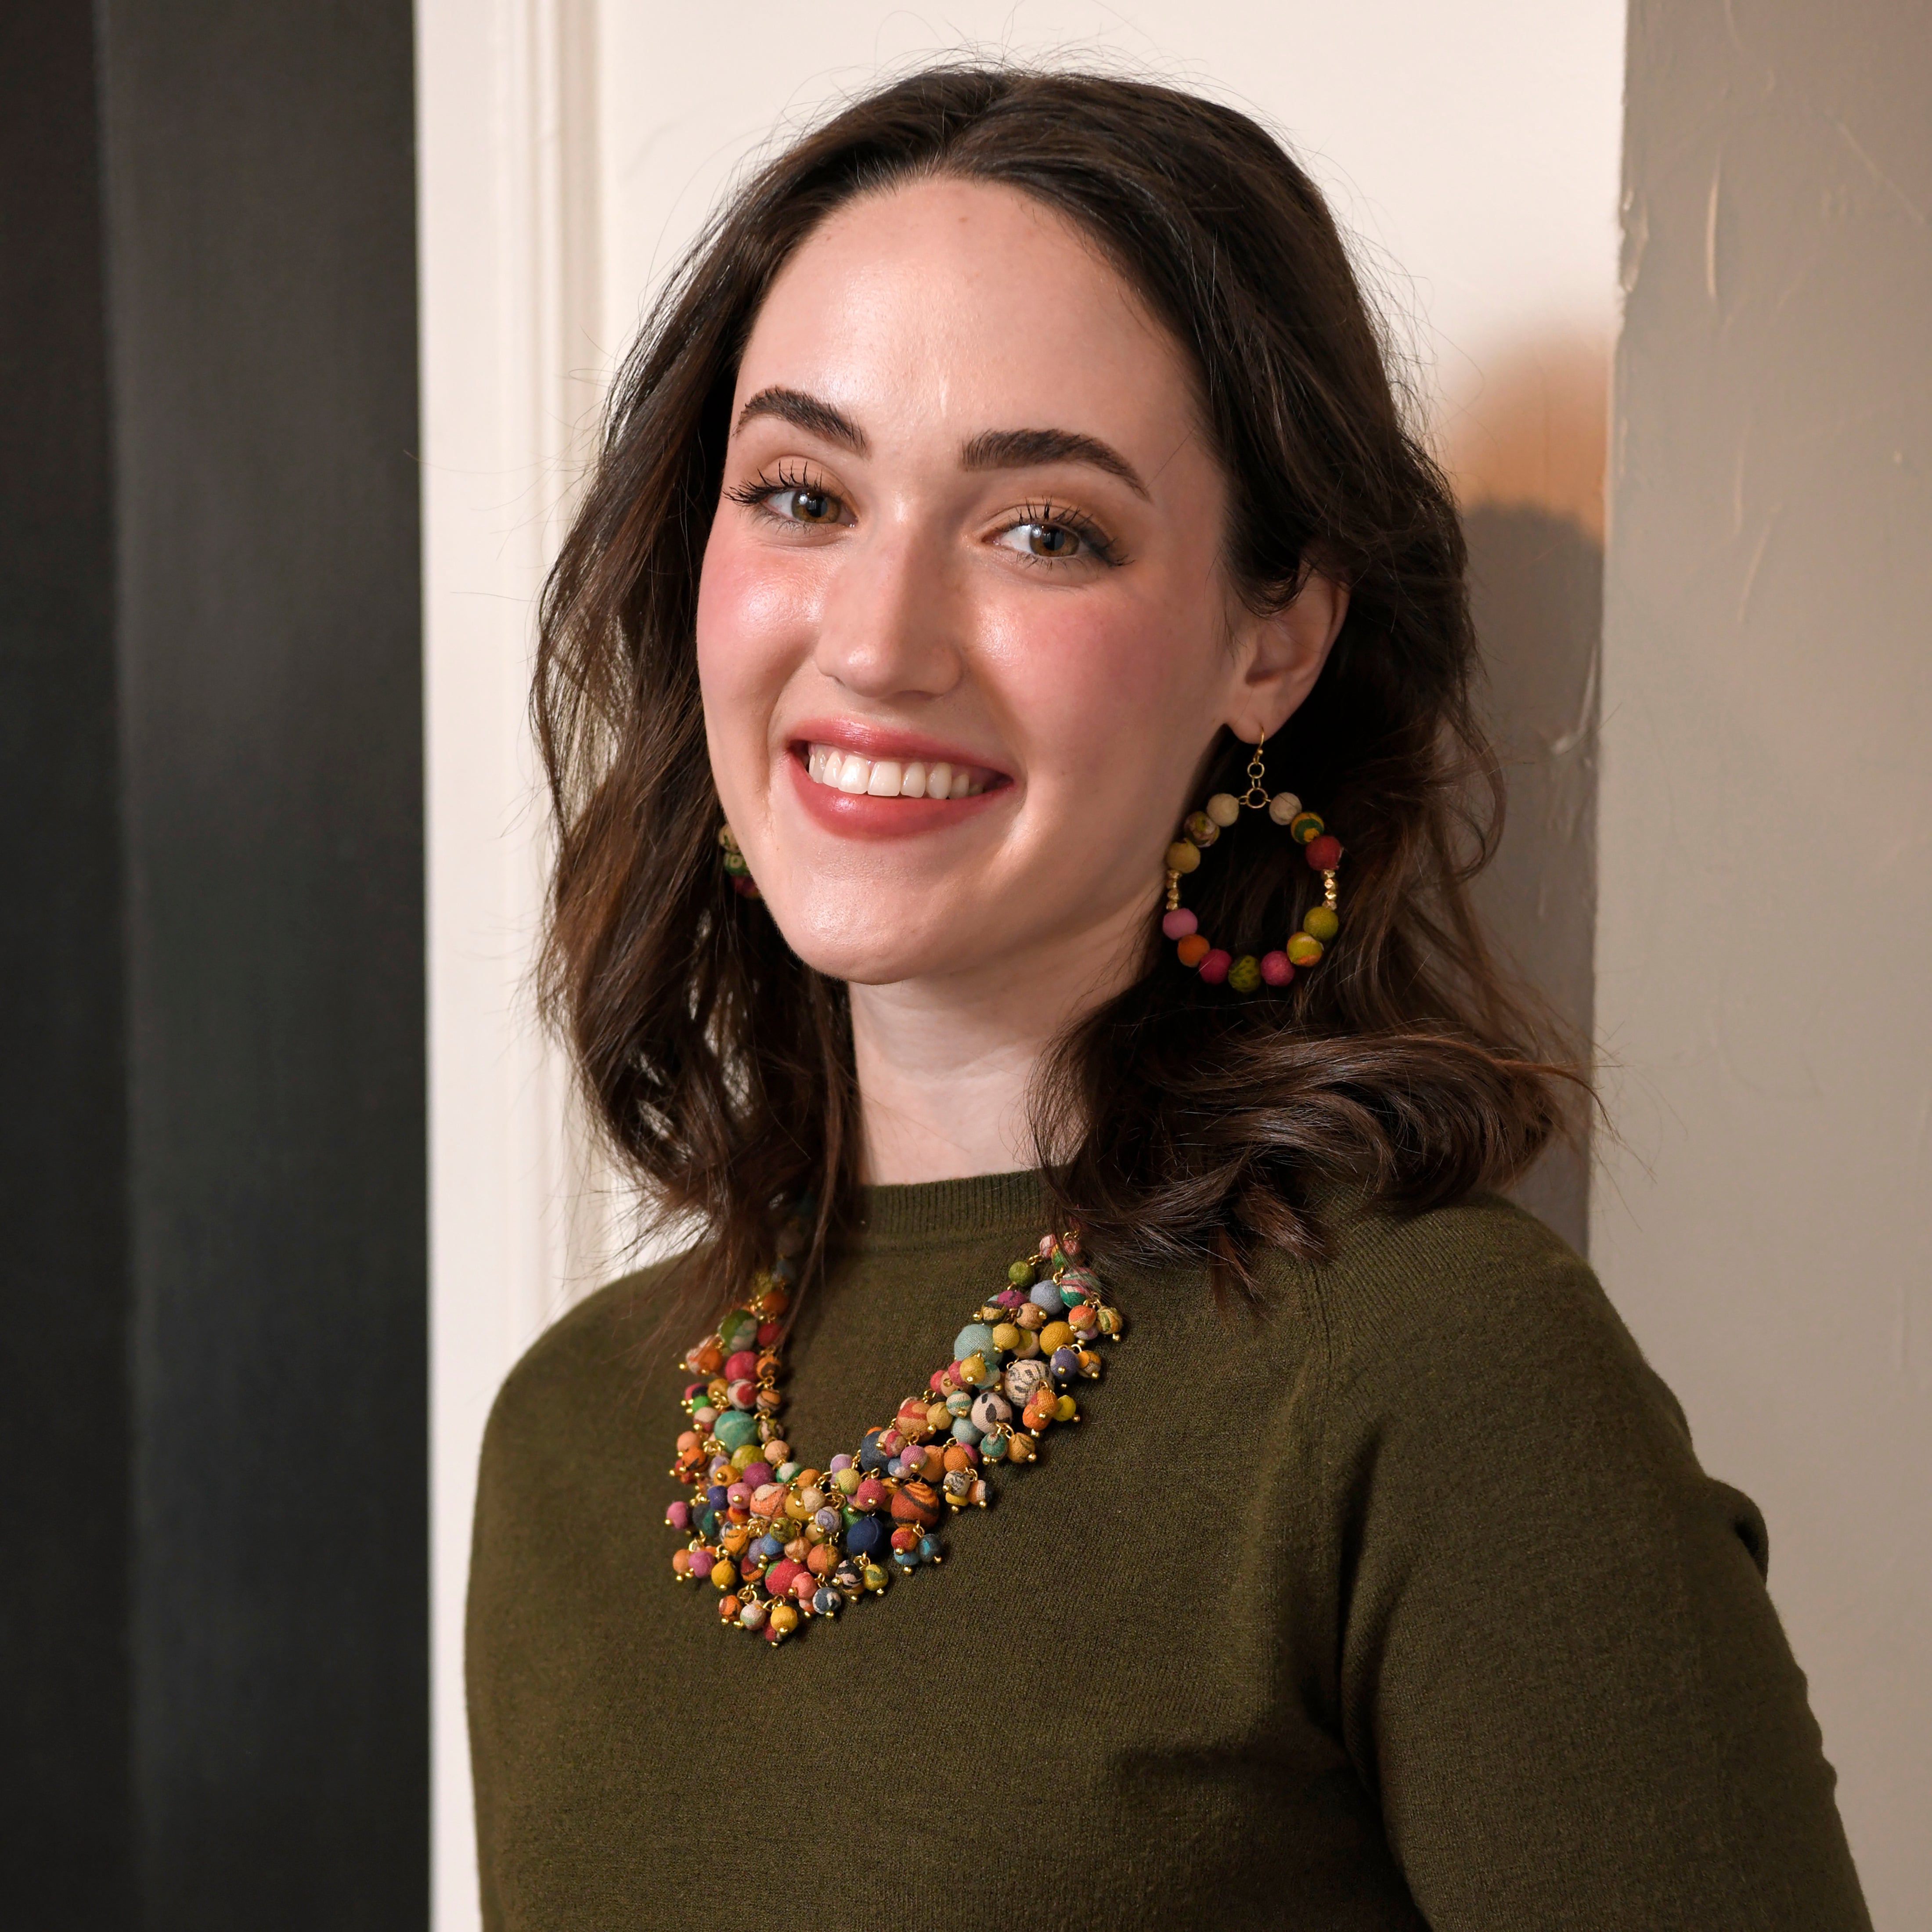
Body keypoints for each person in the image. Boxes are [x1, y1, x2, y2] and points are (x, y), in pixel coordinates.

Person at [465, 66, 1870, 1931]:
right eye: (800, 492)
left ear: (1270, 633)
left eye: (1043, 527)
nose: (876, 640)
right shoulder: (569, 1430)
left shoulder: (1432, 1372)